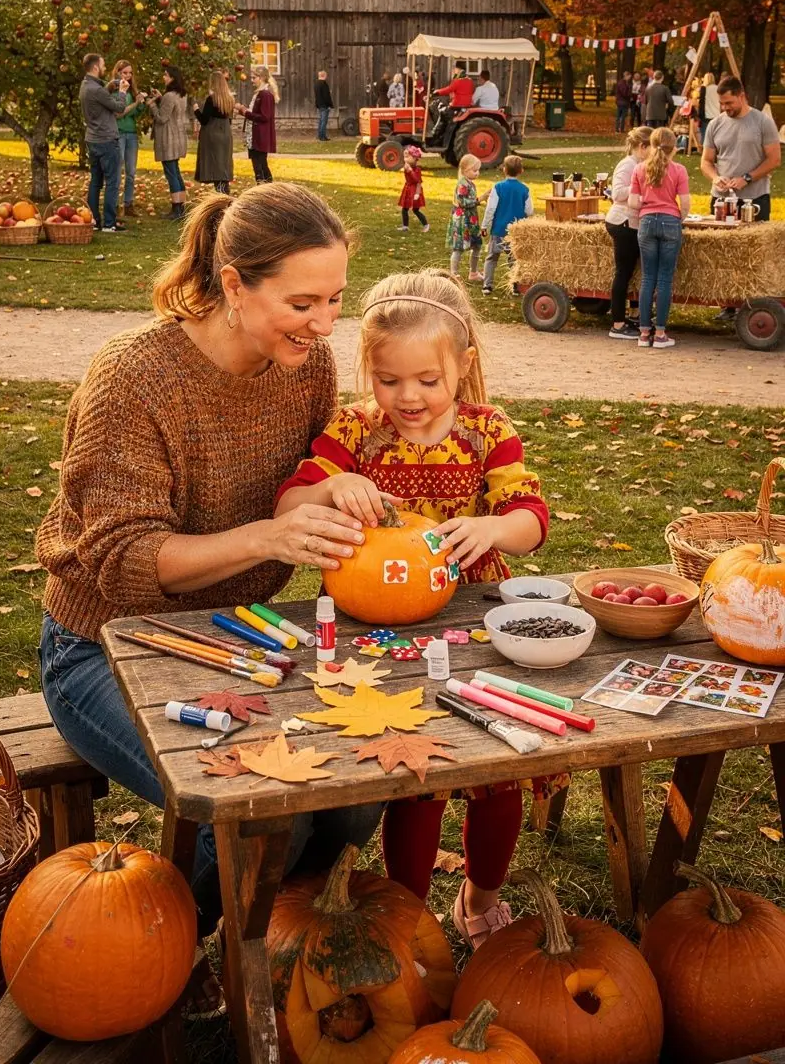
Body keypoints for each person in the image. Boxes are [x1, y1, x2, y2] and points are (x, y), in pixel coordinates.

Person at [36, 183, 383, 982]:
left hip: (241, 637)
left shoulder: (307, 367)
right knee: (266, 817)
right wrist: (269, 534)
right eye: (303, 302)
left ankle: (274, 943)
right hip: (103, 646)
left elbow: (308, 473)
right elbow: (121, 561)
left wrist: (333, 492)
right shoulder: (136, 378)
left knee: (355, 793)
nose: (326, 324)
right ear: (234, 285)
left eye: (335, 299)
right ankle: (137, 960)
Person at [274, 268, 555, 949]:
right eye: (389, 379)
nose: (409, 398)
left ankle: (479, 897)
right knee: (413, 775)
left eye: (428, 381)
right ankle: (409, 911)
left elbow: (532, 515)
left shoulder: (489, 430)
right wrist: (334, 485)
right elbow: (288, 507)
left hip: (472, 622)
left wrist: (494, 528)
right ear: (369, 371)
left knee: (496, 774)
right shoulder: (353, 431)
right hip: (371, 628)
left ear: (463, 367)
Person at [701, 75, 781, 322]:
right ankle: (728, 305)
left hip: (754, 198)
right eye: (722, 104)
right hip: (723, 200)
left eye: (729, 103)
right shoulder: (716, 124)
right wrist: (715, 178)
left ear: (741, 95)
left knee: (753, 254)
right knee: (722, 253)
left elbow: (774, 159)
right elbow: (706, 161)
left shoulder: (762, 122)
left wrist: (747, 177)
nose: (725, 108)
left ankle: (753, 305)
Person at [629, 127, 691, 348]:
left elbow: (632, 202)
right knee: (664, 279)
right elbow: (685, 204)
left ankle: (644, 333)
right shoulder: (679, 170)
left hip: (646, 223)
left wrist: (647, 204)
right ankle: (661, 333)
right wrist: (678, 218)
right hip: (670, 222)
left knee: (647, 278)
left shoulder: (639, 169)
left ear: (652, 145)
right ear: (674, 148)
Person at [605, 125, 652, 339]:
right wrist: (641, 192)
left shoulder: (641, 164)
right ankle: (617, 323)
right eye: (652, 147)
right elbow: (617, 193)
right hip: (623, 222)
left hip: (634, 223)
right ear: (642, 147)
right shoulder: (628, 165)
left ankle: (634, 314)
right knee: (622, 272)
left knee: (634, 271)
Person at [80, 53, 126, 233]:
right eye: (103, 65)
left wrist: (108, 88)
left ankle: (94, 220)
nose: (105, 68)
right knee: (112, 182)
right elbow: (119, 107)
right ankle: (109, 223)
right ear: (95, 67)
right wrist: (122, 92)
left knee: (95, 182)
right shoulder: (96, 90)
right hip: (106, 140)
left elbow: (99, 102)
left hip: (92, 139)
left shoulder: (86, 86)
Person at [481, 154, 533, 296]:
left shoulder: (498, 188)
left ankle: (487, 285)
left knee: (492, 257)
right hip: (516, 231)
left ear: (504, 170)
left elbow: (490, 209)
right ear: (521, 171)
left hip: (498, 229)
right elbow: (529, 211)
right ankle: (516, 286)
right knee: (514, 259)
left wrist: (484, 225)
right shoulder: (525, 189)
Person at [147, 66, 189, 220]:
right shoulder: (181, 95)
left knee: (171, 173)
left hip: (168, 139)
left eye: (165, 75)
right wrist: (160, 98)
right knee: (176, 172)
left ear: (172, 78)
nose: (163, 78)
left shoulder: (169, 96)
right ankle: (181, 207)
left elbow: (162, 118)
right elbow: (171, 111)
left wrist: (151, 104)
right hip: (177, 137)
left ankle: (176, 209)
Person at [109, 59, 146, 218]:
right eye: (125, 73)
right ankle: (114, 205)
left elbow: (135, 114)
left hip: (131, 133)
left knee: (131, 172)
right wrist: (135, 104)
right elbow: (119, 113)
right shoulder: (112, 90)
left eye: (130, 73)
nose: (128, 76)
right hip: (118, 133)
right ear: (117, 73)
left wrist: (142, 104)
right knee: (117, 170)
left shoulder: (131, 91)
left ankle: (128, 204)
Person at [195, 69, 235, 194]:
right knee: (223, 167)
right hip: (226, 135)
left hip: (213, 135)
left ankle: (221, 198)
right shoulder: (229, 99)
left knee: (215, 166)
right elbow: (229, 120)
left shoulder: (212, 99)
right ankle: (225, 193)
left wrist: (196, 110)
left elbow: (204, 120)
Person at [447, 153, 484, 281]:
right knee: (458, 247)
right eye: (474, 170)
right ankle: (454, 273)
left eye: (478, 170)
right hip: (462, 221)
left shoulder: (470, 183)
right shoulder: (462, 184)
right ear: (465, 170)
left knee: (477, 246)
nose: (477, 173)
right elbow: (463, 203)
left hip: (471, 220)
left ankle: (473, 272)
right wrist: (481, 199)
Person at [243, 65, 277, 183]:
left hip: (260, 136)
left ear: (261, 78)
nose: (251, 81)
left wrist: (245, 113)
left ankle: (267, 191)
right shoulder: (259, 93)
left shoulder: (265, 94)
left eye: (254, 78)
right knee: (258, 166)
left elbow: (264, 117)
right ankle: (263, 191)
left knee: (261, 166)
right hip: (254, 136)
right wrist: (245, 111)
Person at [429, 62, 474, 142]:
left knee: (442, 112)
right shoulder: (470, 81)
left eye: (455, 68)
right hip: (466, 106)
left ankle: (435, 133)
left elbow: (449, 89)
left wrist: (437, 92)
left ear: (459, 69)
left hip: (457, 105)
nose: (454, 70)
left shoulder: (458, 81)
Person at [397, 145, 429, 232]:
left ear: (415, 158)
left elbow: (417, 181)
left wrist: (417, 193)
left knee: (416, 209)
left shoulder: (417, 169)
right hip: (408, 189)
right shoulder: (406, 166)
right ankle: (405, 226)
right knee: (405, 208)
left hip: (414, 190)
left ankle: (426, 225)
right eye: (404, 157)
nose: (405, 159)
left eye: (407, 157)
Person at [700, 71, 720, 145]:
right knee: (715, 134)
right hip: (716, 114)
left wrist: (699, 114)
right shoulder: (718, 88)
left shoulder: (704, 88)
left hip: (707, 114)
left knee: (705, 133)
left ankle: (705, 149)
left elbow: (701, 103)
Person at [314, 70, 333, 141]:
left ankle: (319, 135)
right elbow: (326, 96)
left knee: (321, 120)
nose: (326, 76)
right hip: (324, 105)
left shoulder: (316, 84)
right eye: (326, 75)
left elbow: (318, 95)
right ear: (324, 75)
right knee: (324, 121)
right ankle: (322, 137)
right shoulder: (324, 84)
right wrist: (329, 105)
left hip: (319, 104)